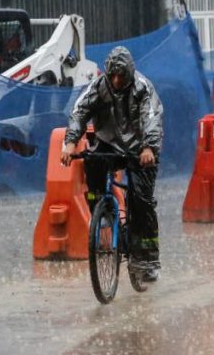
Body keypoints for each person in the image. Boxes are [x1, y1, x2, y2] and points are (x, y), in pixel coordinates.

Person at [61, 46, 163, 282]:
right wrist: (69, 144)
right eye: (113, 76)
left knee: (141, 201)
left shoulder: (142, 88)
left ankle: (146, 258)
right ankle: (102, 215)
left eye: (121, 76)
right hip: (108, 144)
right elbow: (79, 112)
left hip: (140, 149)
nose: (116, 81)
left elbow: (152, 118)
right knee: (92, 165)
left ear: (129, 74)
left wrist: (148, 148)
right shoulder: (98, 87)